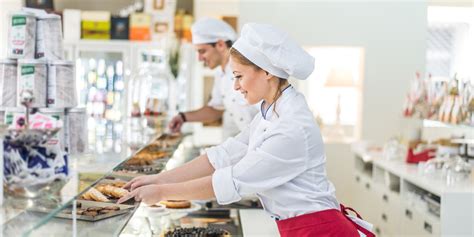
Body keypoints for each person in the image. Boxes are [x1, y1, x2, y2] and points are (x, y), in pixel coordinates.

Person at [119, 23, 373, 237]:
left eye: (239, 76)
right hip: (300, 227)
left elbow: (233, 180)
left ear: (267, 72)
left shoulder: (291, 126)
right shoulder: (271, 110)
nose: (235, 86)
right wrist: (159, 179)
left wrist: (162, 191)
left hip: (322, 230)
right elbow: (224, 155)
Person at [168, 18, 257, 139]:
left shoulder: (248, 67)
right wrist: (183, 117)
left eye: (202, 51)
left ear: (220, 45)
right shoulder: (220, 73)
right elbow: (216, 109)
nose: (199, 58)